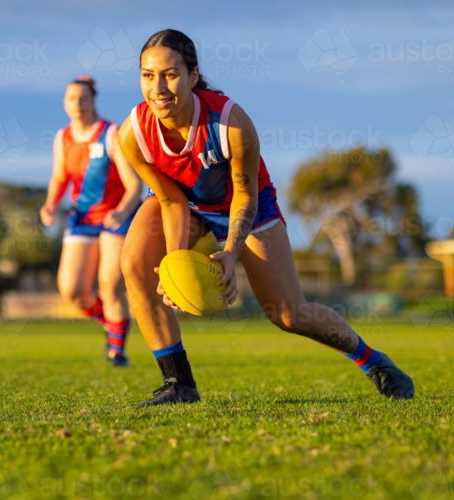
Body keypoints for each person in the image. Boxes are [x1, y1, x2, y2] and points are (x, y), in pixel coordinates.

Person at [117, 30, 414, 405]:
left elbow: (245, 195)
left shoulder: (230, 123)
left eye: (170, 74)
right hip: (187, 205)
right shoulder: (133, 134)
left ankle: (373, 361)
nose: (158, 88)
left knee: (289, 314)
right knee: (135, 265)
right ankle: (179, 384)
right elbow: (170, 200)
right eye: (147, 75)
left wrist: (231, 251)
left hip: (247, 206)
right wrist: (174, 265)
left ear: (193, 76)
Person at [40, 76, 143, 367]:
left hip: (116, 216)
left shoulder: (111, 133)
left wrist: (121, 212)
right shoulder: (62, 138)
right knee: (72, 290)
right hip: (82, 218)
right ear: (65, 103)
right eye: (72, 98)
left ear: (93, 100)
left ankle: (117, 353)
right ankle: (112, 324)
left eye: (83, 98)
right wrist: (50, 204)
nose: (78, 104)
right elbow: (60, 177)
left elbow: (134, 186)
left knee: (110, 286)